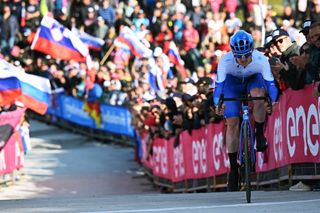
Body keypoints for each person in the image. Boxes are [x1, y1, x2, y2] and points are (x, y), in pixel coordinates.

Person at [213, 30, 278, 191]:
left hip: (252, 80)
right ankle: (234, 168)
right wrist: (217, 104)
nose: (243, 60)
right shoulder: (225, 61)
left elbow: (271, 86)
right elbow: (219, 88)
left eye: (246, 56)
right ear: (233, 53)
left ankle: (259, 133)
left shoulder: (261, 59)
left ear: (252, 52)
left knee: (258, 95)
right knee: (233, 122)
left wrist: (273, 101)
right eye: (239, 56)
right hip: (232, 85)